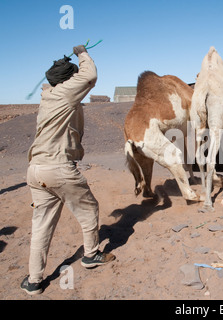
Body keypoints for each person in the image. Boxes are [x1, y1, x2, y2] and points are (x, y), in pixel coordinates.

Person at [21, 45, 115, 295]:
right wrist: (82, 53)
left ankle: (34, 280)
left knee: (42, 225)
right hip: (58, 168)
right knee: (89, 209)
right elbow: (90, 76)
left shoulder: (49, 95)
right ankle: (91, 255)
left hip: (35, 170)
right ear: (67, 80)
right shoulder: (64, 94)